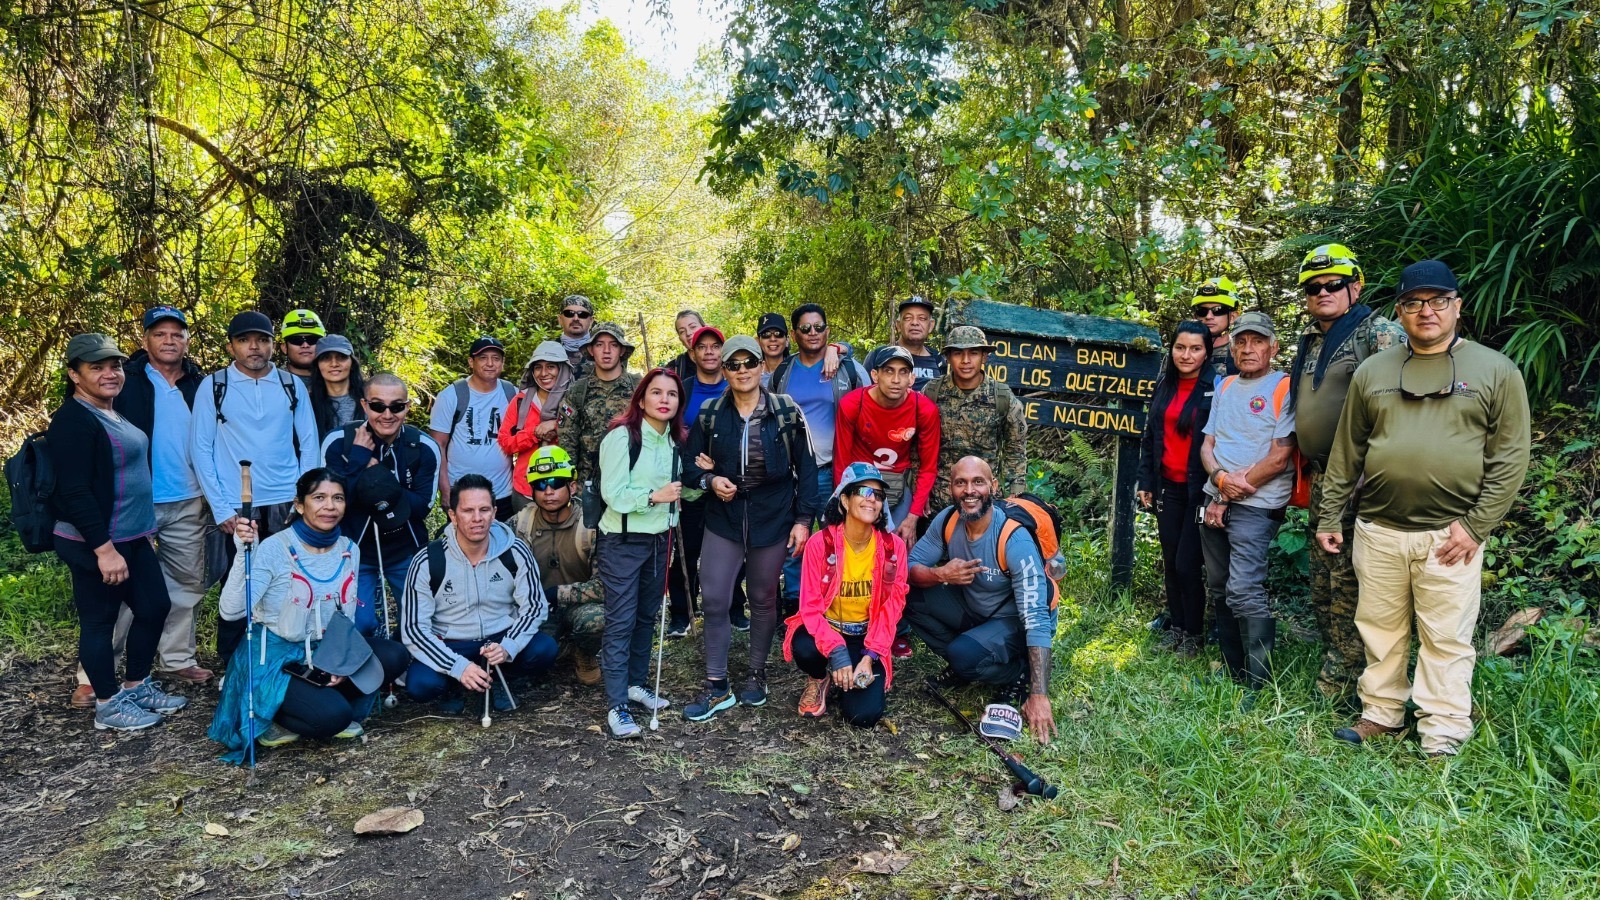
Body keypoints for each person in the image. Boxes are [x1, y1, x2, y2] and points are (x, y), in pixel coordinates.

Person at [1319, 260, 1531, 758]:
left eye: (1438, 301)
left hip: (1450, 537)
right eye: (1414, 303)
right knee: (1380, 628)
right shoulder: (1374, 370)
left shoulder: (1495, 370)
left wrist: (1476, 528)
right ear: (1400, 311)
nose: (1426, 311)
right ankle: (1381, 714)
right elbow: (1348, 450)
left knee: (1446, 638)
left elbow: (1510, 458)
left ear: (1457, 307)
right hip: (1378, 529)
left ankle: (1442, 732)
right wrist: (1330, 515)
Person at [208, 469, 410, 758]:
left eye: (337, 498)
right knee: (333, 718)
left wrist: (339, 662)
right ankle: (275, 716)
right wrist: (243, 554)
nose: (330, 506)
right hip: (278, 658)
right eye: (319, 498)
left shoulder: (348, 549)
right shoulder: (274, 548)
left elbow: (346, 617)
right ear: (300, 505)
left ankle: (318, 699)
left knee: (394, 656)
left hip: (325, 649)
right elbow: (231, 611)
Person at [69, 307, 212, 709]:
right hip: (132, 502)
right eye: (160, 333)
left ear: (186, 341)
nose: (169, 340)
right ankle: (94, 677)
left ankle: (176, 658)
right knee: (120, 590)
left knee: (185, 584)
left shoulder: (198, 384)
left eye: (177, 334)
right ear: (146, 339)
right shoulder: (123, 380)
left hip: (187, 496)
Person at [1287, 244, 1406, 703]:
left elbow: (1397, 410)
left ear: (1355, 286)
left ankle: (1344, 681)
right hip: (1322, 479)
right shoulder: (1313, 340)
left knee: (1349, 582)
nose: (1322, 292)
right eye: (1313, 287)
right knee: (1323, 578)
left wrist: (1367, 470)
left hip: (1361, 481)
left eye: (1333, 284)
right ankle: (1334, 658)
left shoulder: (1380, 335)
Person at [49, 333, 185, 732]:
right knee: (100, 621)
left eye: (115, 365)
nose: (110, 373)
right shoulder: (73, 421)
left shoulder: (110, 410)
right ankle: (108, 705)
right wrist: (103, 549)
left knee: (155, 606)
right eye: (97, 367)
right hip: (95, 541)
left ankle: (136, 684)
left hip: (131, 536)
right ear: (75, 375)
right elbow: (74, 492)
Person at [681, 336, 820, 719]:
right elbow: (688, 463)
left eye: (749, 363)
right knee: (714, 598)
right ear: (724, 371)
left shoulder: (786, 411)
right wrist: (710, 482)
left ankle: (756, 675)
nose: (742, 370)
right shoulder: (711, 413)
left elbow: (807, 469)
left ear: (762, 366)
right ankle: (716, 685)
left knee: (762, 598)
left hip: (772, 514)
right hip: (723, 518)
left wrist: (803, 520)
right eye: (734, 365)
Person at [906, 457, 1057, 743]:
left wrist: (1039, 695)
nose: (969, 490)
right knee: (908, 596)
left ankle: (1017, 672)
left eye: (978, 482)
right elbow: (910, 567)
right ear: (950, 488)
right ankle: (971, 657)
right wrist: (939, 574)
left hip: (1014, 620)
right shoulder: (949, 520)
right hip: (975, 609)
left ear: (993, 487)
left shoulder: (1014, 539)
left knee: (963, 655)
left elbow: (1037, 618)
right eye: (960, 482)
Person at [1197, 311, 1296, 690]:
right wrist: (1220, 482)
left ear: (1273, 346)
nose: (1247, 348)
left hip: (1258, 503)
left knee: (1244, 588)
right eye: (1241, 341)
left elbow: (1279, 457)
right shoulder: (1223, 386)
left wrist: (1229, 489)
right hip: (1216, 497)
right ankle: (1232, 667)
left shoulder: (1283, 387)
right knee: (1220, 584)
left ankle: (1258, 681)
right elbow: (1208, 444)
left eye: (1257, 341)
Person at [401, 474, 557, 713]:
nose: (477, 518)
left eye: (484, 510)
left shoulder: (514, 551)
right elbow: (413, 628)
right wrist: (457, 666)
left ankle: (499, 677)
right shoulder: (428, 560)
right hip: (452, 642)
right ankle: (456, 682)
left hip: (499, 638)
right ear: (453, 515)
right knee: (422, 685)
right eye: (467, 510)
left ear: (494, 513)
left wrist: (509, 646)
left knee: (544, 649)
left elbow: (535, 606)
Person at [191, 310, 319, 573]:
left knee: (287, 578)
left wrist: (303, 498)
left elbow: (309, 443)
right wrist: (220, 507)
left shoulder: (290, 384)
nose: (254, 347)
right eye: (243, 340)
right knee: (238, 581)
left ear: (273, 345)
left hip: (285, 498)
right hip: (237, 502)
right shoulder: (215, 385)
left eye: (262, 339)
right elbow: (200, 448)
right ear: (230, 346)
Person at [595, 368, 685, 739]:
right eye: (656, 392)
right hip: (622, 541)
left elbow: (676, 494)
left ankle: (635, 684)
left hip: (658, 541)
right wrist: (653, 497)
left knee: (647, 617)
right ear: (642, 398)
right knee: (621, 620)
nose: (665, 399)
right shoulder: (622, 437)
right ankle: (617, 703)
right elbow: (612, 494)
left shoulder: (675, 442)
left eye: (672, 394)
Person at [784, 463, 908, 728]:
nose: (871, 499)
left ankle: (849, 675)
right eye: (864, 491)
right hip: (827, 631)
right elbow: (810, 607)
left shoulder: (893, 548)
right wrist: (837, 652)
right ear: (844, 499)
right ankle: (819, 678)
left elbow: (893, 608)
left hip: (865, 637)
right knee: (804, 646)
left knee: (863, 716)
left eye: (878, 495)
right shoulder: (821, 543)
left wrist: (869, 656)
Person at [319, 373, 440, 637]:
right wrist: (359, 461)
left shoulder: (424, 447)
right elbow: (331, 506)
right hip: (355, 551)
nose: (387, 414)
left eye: (396, 406)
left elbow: (421, 507)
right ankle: (369, 669)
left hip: (405, 549)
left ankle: (405, 665)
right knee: (360, 624)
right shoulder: (339, 442)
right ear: (364, 405)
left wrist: (380, 479)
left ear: (407, 407)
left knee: (417, 623)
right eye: (377, 406)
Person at [771, 303, 868, 614]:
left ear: (827, 330)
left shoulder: (848, 369)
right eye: (805, 328)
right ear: (794, 334)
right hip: (793, 473)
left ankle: (833, 599)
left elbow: (869, 408)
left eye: (818, 327)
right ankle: (795, 602)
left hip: (831, 470)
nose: (812, 333)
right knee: (793, 541)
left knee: (835, 538)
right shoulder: (783, 372)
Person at [1136, 321, 1215, 657]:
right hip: (1167, 486)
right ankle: (1178, 628)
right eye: (1180, 347)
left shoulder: (1216, 388)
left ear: (1207, 352)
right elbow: (1151, 436)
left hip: (1200, 489)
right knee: (1171, 562)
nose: (1186, 355)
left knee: (1186, 564)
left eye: (1195, 348)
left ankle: (1194, 634)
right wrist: (1147, 481)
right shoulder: (1164, 385)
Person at [510, 446, 606, 685]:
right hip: (535, 609)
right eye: (541, 485)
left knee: (598, 620)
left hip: (578, 606)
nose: (548, 492)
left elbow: (606, 586)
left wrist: (558, 594)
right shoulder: (521, 524)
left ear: (572, 487)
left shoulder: (591, 524)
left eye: (556, 483)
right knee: (533, 658)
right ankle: (564, 648)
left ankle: (584, 653)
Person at [834, 345, 940, 547]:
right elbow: (841, 462)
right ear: (875, 375)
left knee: (896, 547)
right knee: (857, 545)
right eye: (889, 371)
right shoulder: (853, 404)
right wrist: (843, 503)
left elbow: (928, 467)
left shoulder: (924, 409)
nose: (896, 379)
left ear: (912, 378)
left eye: (903, 372)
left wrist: (913, 517)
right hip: (860, 481)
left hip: (900, 480)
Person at [665, 325, 733, 638]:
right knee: (686, 551)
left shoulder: (734, 386)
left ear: (723, 351)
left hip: (728, 482)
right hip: (690, 483)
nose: (709, 352)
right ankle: (682, 613)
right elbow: (670, 434)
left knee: (734, 550)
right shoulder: (682, 390)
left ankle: (733, 606)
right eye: (701, 347)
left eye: (714, 346)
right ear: (692, 354)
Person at [922, 326, 1028, 513]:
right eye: (957, 353)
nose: (965, 361)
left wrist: (1016, 492)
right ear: (948, 357)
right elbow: (917, 447)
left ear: (984, 357)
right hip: (938, 501)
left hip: (983, 500)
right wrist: (919, 494)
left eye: (973, 353)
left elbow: (1015, 448)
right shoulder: (932, 393)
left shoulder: (1001, 396)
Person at [430, 335, 516, 520]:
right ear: (471, 361)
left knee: (503, 543)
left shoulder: (511, 393)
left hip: (503, 492)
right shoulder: (451, 396)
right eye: (483, 358)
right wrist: (445, 490)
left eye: (496, 358)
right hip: (462, 494)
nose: (490, 364)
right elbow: (438, 446)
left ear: (502, 362)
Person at [557, 321, 641, 487]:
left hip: (633, 481)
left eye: (613, 345)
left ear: (622, 350)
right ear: (591, 350)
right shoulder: (578, 391)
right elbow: (568, 441)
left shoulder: (639, 387)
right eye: (599, 344)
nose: (607, 351)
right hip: (588, 485)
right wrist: (568, 481)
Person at [500, 341, 573, 513]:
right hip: (526, 489)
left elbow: (584, 437)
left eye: (551, 367)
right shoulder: (520, 402)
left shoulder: (574, 400)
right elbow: (505, 442)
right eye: (538, 367)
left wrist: (556, 425)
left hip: (564, 488)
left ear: (561, 369)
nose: (544, 373)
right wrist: (534, 433)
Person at [308, 334, 366, 440]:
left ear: (352, 363)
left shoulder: (369, 400)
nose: (334, 364)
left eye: (341, 357)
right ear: (318, 366)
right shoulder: (308, 404)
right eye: (326, 358)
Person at [1191, 277, 1241, 378]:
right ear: (1195, 317)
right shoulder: (1182, 353)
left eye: (1218, 310)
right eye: (1202, 311)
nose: (1209, 317)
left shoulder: (1242, 354)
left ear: (1232, 317)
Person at [893, 296, 944, 390]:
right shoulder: (880, 355)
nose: (915, 323)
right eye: (908, 318)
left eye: (922, 318)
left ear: (931, 325)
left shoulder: (939, 360)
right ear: (898, 325)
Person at [278, 308, 327, 380]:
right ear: (284, 347)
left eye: (312, 340)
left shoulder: (335, 378)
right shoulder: (273, 381)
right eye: (297, 340)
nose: (305, 345)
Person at [557, 294, 597, 377]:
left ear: (591, 321)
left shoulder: (603, 351)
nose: (576, 318)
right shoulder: (548, 350)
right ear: (560, 319)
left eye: (582, 314)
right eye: (569, 313)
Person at [665, 309, 705, 385]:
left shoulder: (724, 361)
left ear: (704, 327)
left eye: (693, 327)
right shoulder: (674, 369)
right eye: (682, 331)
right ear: (680, 338)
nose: (688, 333)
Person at [756, 312, 790, 389]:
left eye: (778, 334)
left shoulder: (795, 368)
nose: (772, 339)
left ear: (787, 340)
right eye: (766, 334)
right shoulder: (751, 373)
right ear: (758, 341)